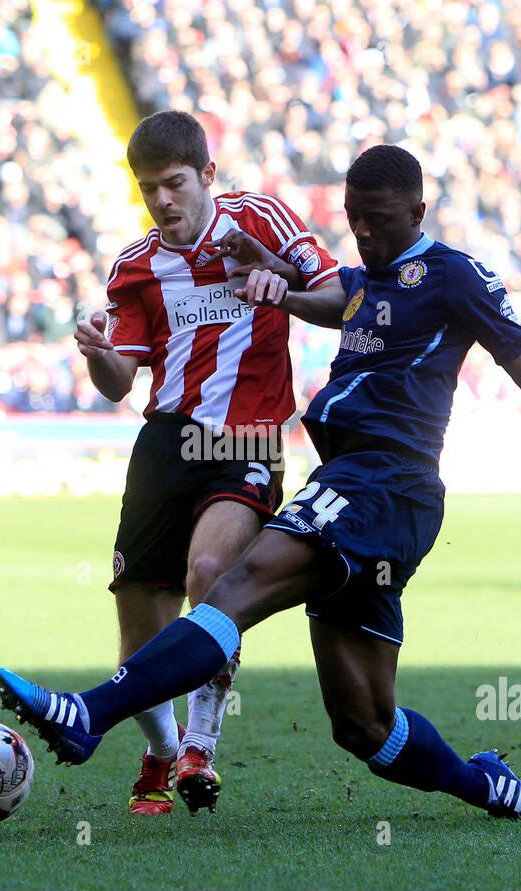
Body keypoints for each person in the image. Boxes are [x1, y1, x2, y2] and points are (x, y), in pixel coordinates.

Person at [0, 146, 521, 820]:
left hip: (385, 482)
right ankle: (493, 788)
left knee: (233, 584)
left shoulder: (453, 277)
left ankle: (90, 714)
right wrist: (277, 283)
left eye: (377, 219)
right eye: (352, 219)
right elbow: (333, 299)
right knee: (364, 726)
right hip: (362, 489)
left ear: (417, 212)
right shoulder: (367, 276)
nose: (364, 233)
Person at [74, 110, 341, 815]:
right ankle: (161, 751)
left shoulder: (262, 221)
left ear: (207, 177)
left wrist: (281, 285)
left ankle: (200, 744)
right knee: (140, 631)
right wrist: (98, 353)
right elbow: (119, 381)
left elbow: (344, 297)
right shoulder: (136, 266)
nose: (163, 201)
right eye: (148, 189)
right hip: (164, 441)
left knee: (208, 574)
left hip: (244, 440)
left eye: (175, 184)